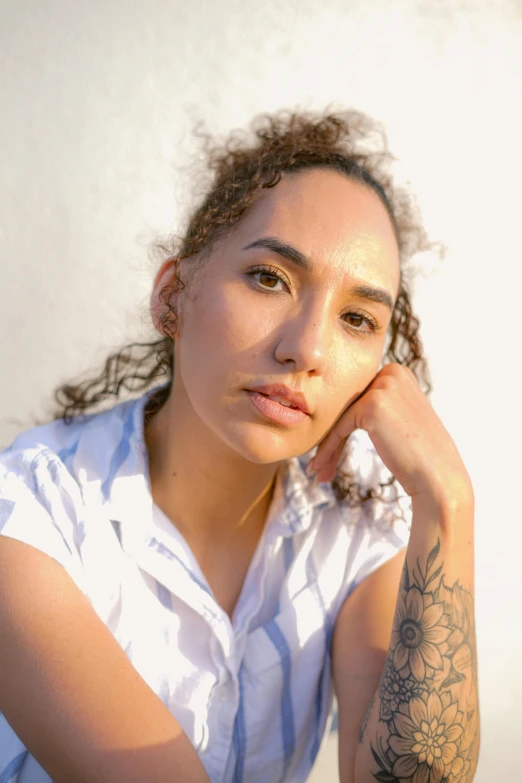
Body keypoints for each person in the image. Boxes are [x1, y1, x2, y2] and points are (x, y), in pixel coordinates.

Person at [0, 109, 479, 783]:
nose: (306, 349)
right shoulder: (30, 512)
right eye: (268, 278)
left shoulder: (356, 528)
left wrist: (448, 503)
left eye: (356, 319)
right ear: (172, 296)